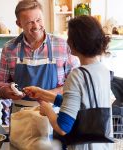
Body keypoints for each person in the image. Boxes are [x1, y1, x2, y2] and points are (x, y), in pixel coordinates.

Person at [24, 15, 113, 150]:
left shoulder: (77, 75)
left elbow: (62, 127)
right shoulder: (103, 70)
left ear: (75, 42)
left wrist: (47, 110)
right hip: (103, 146)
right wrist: (43, 94)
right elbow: (83, 107)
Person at [0, 0, 79, 111]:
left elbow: (75, 84)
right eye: (29, 22)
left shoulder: (63, 46)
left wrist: (47, 94)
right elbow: (1, 83)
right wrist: (6, 91)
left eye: (38, 20)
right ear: (19, 23)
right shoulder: (9, 48)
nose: (36, 26)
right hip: (21, 116)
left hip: (54, 114)